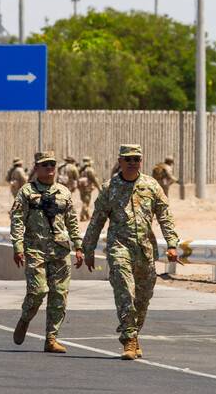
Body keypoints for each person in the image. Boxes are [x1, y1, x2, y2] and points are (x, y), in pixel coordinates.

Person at [82, 144, 179, 360]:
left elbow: (165, 216)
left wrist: (172, 244)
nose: (132, 163)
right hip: (119, 247)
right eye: (128, 159)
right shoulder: (109, 188)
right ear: (120, 161)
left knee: (143, 298)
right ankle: (128, 338)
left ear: (141, 161)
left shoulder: (151, 185)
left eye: (136, 159)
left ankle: (135, 333)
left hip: (145, 250)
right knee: (125, 290)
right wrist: (88, 249)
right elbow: (97, 220)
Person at [10, 150, 83, 353]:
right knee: (38, 291)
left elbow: (72, 221)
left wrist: (78, 246)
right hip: (35, 249)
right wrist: (18, 246)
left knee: (59, 294)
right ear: (37, 168)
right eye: (45, 165)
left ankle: (51, 338)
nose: (49, 168)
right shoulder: (27, 191)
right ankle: (26, 318)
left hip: (60, 250)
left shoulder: (64, 192)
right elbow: (17, 220)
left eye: (52, 164)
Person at [77, 157, 101, 221]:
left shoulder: (80, 169)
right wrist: (99, 188)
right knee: (86, 202)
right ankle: (82, 216)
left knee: (84, 201)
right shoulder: (90, 170)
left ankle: (87, 215)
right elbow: (94, 180)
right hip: (87, 188)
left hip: (81, 188)